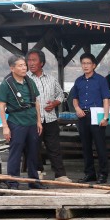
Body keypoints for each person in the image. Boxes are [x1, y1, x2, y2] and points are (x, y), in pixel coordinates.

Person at [0, 55, 42, 189]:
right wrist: (5, 127)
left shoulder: (30, 81)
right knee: (15, 153)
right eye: (20, 65)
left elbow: (36, 102)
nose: (24, 68)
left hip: (32, 121)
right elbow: (1, 106)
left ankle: (34, 182)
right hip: (16, 122)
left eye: (24, 65)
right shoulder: (6, 84)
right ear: (12, 68)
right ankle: (13, 182)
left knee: (34, 152)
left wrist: (39, 121)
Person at [27, 50, 70, 182]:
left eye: (34, 60)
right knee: (34, 147)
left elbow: (61, 94)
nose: (30, 63)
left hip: (50, 118)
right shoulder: (25, 79)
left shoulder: (51, 79)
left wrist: (55, 103)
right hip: (33, 120)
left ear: (42, 63)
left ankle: (60, 175)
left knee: (54, 147)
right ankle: (37, 172)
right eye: (29, 60)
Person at [69, 53, 110, 183]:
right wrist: (77, 109)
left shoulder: (101, 80)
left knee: (100, 146)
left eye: (88, 63)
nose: (85, 66)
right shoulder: (78, 81)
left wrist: (105, 117)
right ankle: (89, 173)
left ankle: (103, 174)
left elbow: (105, 99)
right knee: (86, 146)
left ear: (94, 65)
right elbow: (74, 99)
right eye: (83, 63)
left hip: (97, 115)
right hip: (83, 116)